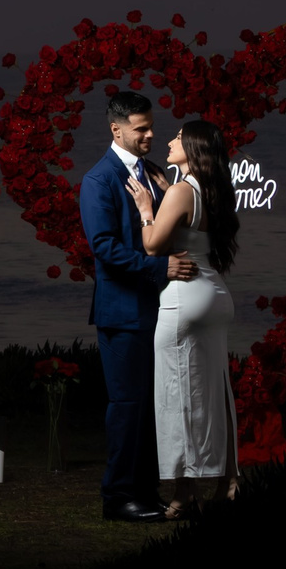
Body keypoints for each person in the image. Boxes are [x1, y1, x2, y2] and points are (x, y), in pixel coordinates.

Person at [80, 91, 197, 523]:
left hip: (157, 309)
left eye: (151, 126)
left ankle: (145, 493)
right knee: (128, 407)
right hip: (122, 312)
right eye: (140, 128)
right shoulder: (98, 180)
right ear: (116, 129)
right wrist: (160, 267)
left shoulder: (152, 172)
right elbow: (104, 248)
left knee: (154, 406)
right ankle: (119, 498)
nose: (150, 134)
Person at [127, 118, 241, 515]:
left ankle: (183, 492)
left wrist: (146, 210)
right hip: (215, 294)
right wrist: (164, 198)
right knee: (215, 391)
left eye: (177, 137)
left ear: (193, 149)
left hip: (184, 299)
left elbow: (154, 246)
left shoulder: (178, 191)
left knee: (177, 396)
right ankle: (229, 480)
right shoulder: (214, 191)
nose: (169, 142)